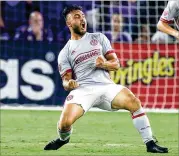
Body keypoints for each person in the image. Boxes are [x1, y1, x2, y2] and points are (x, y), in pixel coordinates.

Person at [44, 5, 168, 153]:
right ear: (69, 23)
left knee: (134, 102)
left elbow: (116, 64)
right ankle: (63, 139)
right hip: (83, 90)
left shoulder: (99, 38)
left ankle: (150, 143)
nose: (82, 18)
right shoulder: (65, 52)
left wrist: (104, 64)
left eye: (83, 15)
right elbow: (66, 80)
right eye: (77, 16)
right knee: (64, 124)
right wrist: (69, 83)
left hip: (106, 86)